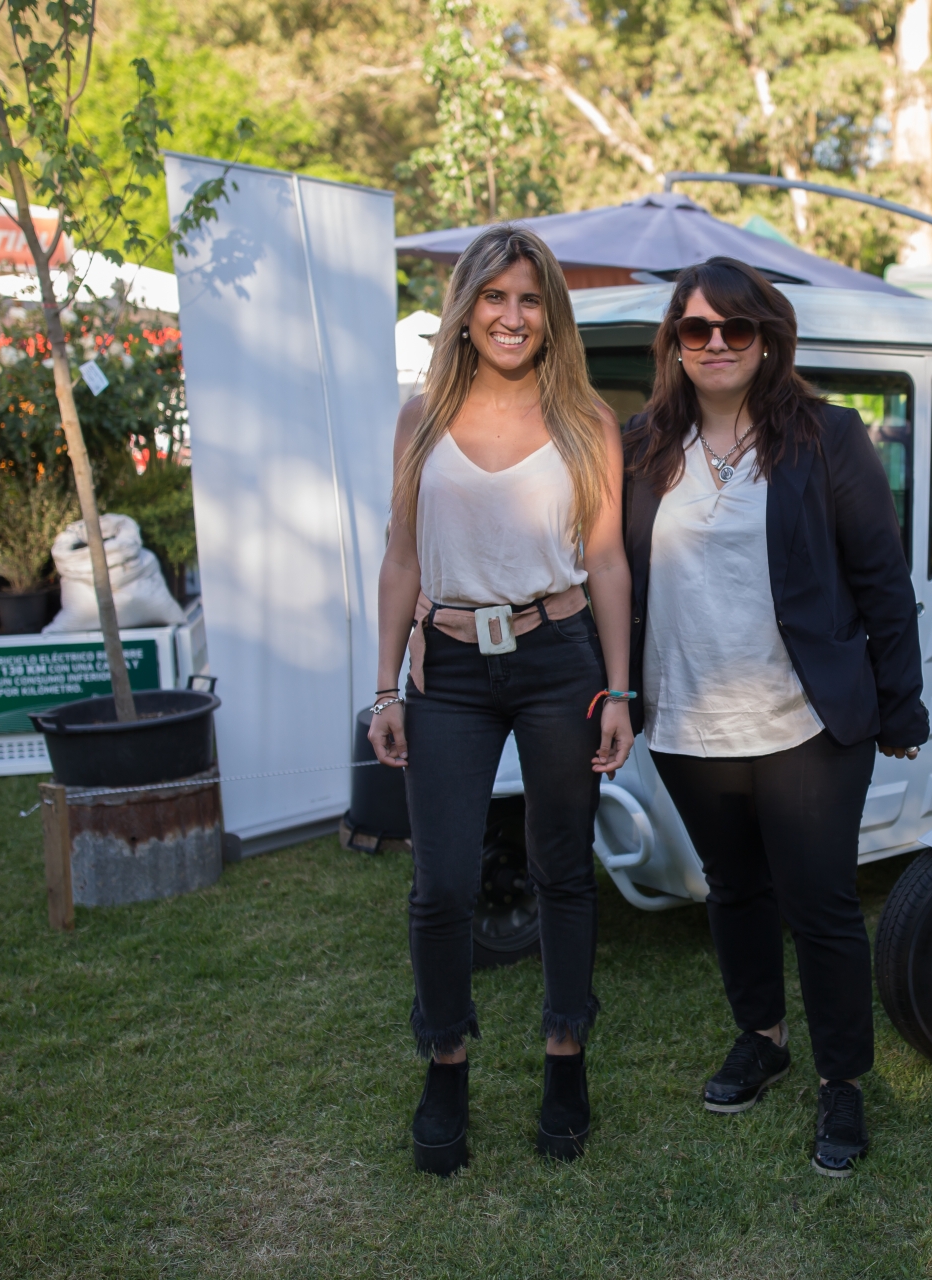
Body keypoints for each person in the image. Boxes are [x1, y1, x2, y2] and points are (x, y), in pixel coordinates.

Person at [621, 257, 928, 1178]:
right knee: (734, 889)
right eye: (696, 329)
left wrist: (901, 704)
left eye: (736, 329)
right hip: (686, 716)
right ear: (674, 341)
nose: (715, 344)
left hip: (806, 719)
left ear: (768, 338)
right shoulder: (642, 445)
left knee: (822, 904)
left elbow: (882, 577)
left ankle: (842, 1081)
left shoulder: (826, 437)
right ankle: (762, 1034)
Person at [367, 226, 633, 1174]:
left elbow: (605, 559)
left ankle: (566, 1057)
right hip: (448, 669)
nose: (511, 316)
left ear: (549, 313)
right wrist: (383, 684)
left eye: (529, 299)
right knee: (440, 884)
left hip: (560, 657)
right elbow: (401, 557)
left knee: (561, 866)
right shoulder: (419, 420)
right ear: (466, 312)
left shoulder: (587, 422)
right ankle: (446, 1064)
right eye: (494, 298)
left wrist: (618, 688)